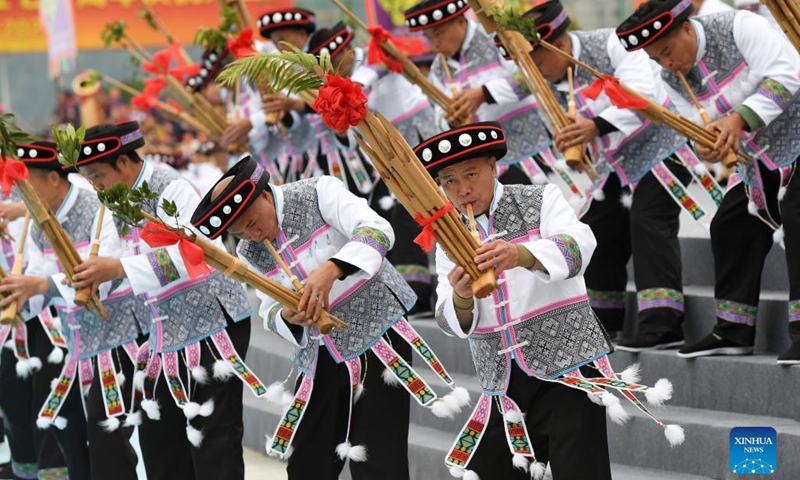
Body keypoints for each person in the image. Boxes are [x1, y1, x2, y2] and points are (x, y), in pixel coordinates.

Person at [424, 121, 678, 479]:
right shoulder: (448, 236)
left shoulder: (540, 198)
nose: (463, 189)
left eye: (471, 174)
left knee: (580, 471)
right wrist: (462, 296)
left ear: (493, 168)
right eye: (450, 181)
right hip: (503, 383)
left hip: (569, 370)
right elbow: (447, 319)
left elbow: (580, 245)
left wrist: (522, 255)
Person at [190, 156, 468, 480]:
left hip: (379, 336)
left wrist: (333, 268)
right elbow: (267, 310)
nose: (254, 235)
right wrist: (286, 316)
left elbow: (378, 230)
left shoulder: (318, 191)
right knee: (308, 461)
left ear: (265, 195)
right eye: (242, 233)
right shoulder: (247, 251)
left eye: (253, 224)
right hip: (319, 353)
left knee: (379, 458)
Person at [67, 121, 257, 479]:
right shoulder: (113, 202)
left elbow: (191, 256)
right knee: (160, 439)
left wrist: (116, 268)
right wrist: (88, 279)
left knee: (211, 438)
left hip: (212, 322)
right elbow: (107, 261)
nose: (95, 186)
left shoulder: (172, 187)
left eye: (98, 175)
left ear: (124, 163)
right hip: (164, 335)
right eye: (88, 178)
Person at [618, 0, 800, 362]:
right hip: (759, 158)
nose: (667, 64)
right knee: (730, 224)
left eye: (667, 52)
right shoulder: (671, 78)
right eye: (657, 60)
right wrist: (707, 146)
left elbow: (789, 74)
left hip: (797, 135)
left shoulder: (739, 26)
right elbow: (699, 128)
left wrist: (738, 120)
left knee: (797, 213)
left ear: (687, 28)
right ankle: (733, 329)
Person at [527, 0, 712, 349]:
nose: (536, 71)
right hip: (620, 162)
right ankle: (604, 320)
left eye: (539, 62)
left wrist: (594, 126)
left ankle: (663, 324)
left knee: (648, 218)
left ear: (561, 46)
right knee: (598, 225)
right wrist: (578, 144)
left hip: (666, 143)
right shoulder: (545, 82)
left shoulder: (611, 42)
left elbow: (644, 93)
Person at [306, 22, 443, 316]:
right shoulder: (337, 83)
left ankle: (418, 293)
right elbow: (345, 136)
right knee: (380, 218)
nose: (332, 73)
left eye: (332, 64)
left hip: (421, 141)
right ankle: (396, 290)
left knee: (409, 214)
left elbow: (367, 79)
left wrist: (342, 93)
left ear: (343, 51)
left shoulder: (373, 53)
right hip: (389, 156)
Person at [0, 142, 85, 480]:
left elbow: (82, 185)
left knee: (51, 392)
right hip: (25, 309)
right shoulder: (28, 204)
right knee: (12, 386)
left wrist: (20, 209)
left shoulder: (75, 198)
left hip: (61, 317)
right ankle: (27, 464)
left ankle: (54, 468)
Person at [403, 0, 554, 186]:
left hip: (538, 146)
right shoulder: (438, 68)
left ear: (459, 22)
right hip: (491, 163)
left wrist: (484, 94)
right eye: (429, 38)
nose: (435, 44)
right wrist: (450, 119)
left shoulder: (497, 37)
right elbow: (438, 116)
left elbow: (532, 76)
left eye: (438, 34)